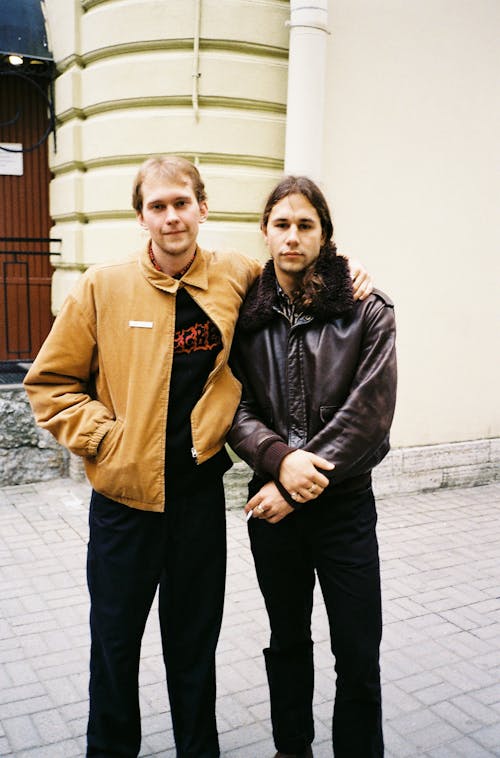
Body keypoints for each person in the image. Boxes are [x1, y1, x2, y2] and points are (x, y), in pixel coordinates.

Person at [24, 156, 373, 758]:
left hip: (196, 507)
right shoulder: (102, 287)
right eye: (157, 206)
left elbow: (300, 273)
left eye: (181, 203)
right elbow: (50, 386)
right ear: (141, 217)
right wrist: (107, 440)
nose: (171, 217)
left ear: (202, 208)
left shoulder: (237, 276)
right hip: (122, 508)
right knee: (114, 649)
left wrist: (349, 269)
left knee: (193, 652)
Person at [228, 176, 397, 758]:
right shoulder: (245, 312)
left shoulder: (367, 308)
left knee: (357, 653)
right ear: (266, 231)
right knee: (287, 642)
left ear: (325, 234)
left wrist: (295, 487)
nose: (293, 236)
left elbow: (369, 414)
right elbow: (233, 405)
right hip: (270, 508)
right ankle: (290, 748)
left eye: (305, 225)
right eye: (282, 224)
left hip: (344, 506)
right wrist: (277, 463)